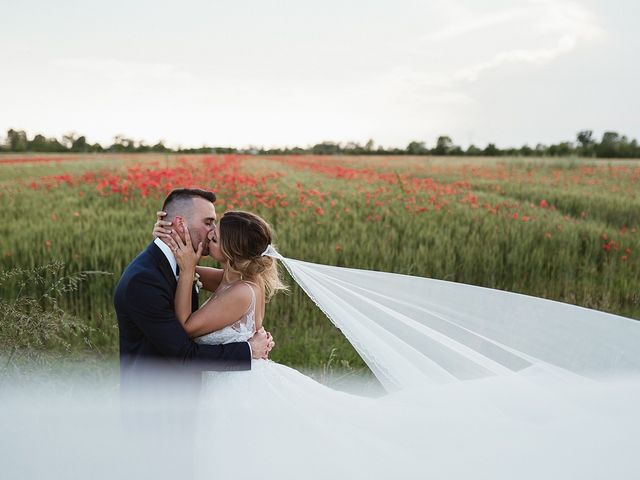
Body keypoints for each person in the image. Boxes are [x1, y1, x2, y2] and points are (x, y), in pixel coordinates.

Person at [114, 188, 274, 397]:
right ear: (180, 223)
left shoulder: (241, 285)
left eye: (214, 233)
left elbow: (187, 277)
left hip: (227, 390)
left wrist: (173, 244)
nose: (210, 233)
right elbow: (183, 354)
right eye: (208, 223)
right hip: (156, 400)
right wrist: (248, 350)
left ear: (232, 250)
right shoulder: (143, 281)